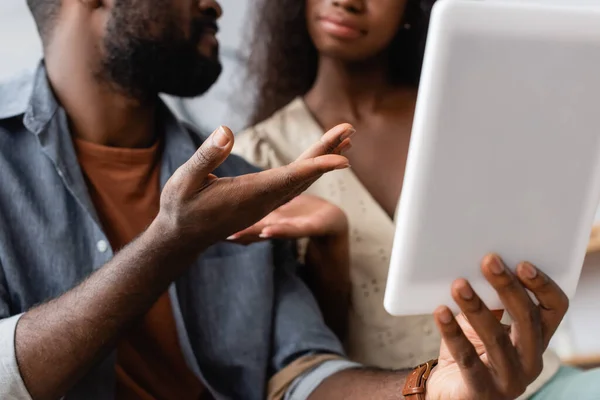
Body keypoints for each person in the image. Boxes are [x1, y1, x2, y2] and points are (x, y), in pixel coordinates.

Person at [0, 0, 570, 399]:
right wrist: (168, 242)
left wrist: (429, 390)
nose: (217, 5)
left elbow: (300, 374)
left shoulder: (243, 181)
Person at [232, 0, 600, 398]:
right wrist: (330, 250)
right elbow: (307, 365)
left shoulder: (470, 113)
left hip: (537, 385)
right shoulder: (258, 159)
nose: (346, 1)